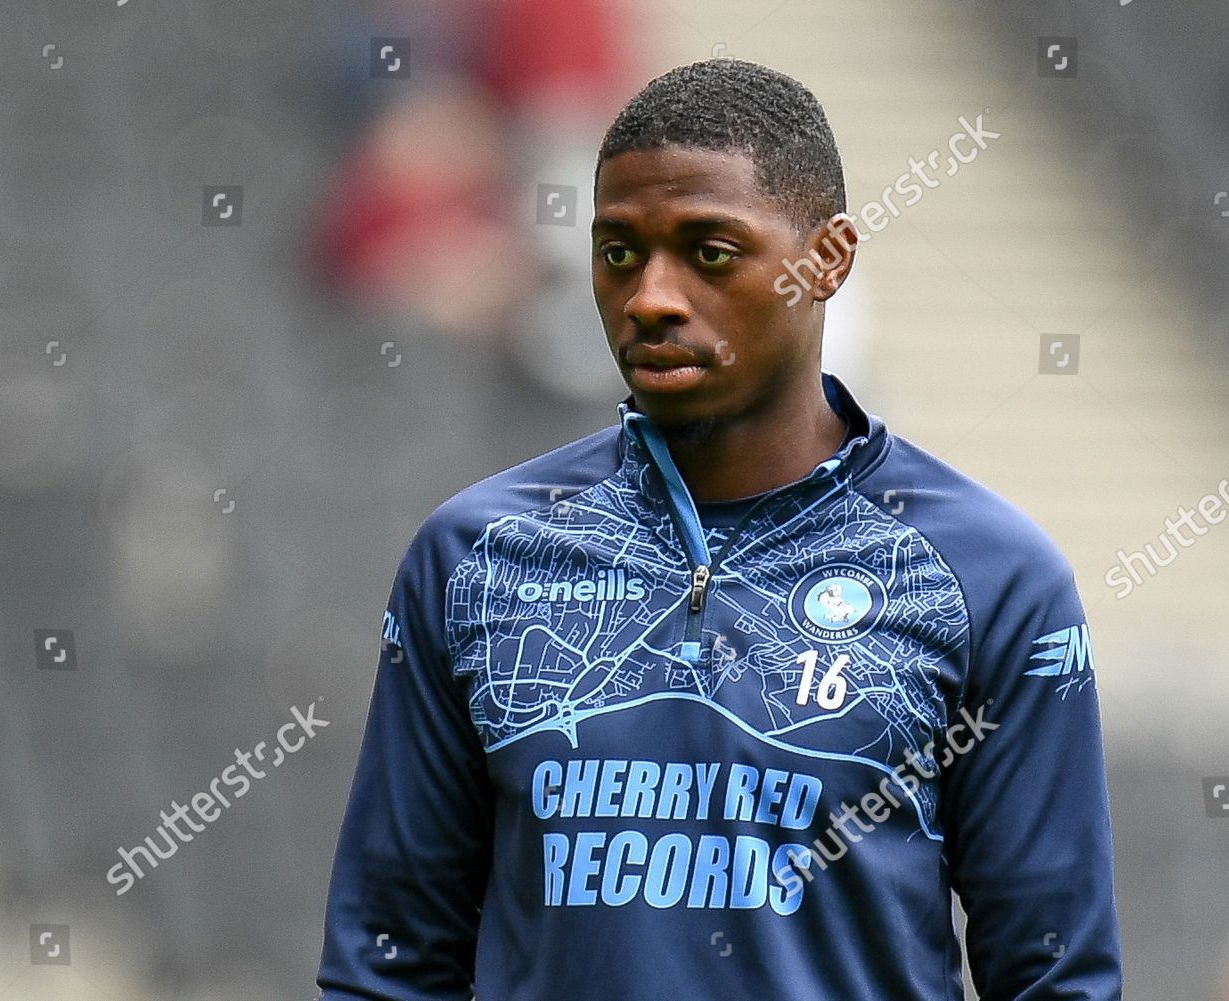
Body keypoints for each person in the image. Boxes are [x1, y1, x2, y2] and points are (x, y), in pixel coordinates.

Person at [317, 58, 1121, 1000]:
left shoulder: (993, 580)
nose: (651, 296)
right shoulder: (473, 557)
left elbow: (1056, 977)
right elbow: (388, 964)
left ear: (828, 258)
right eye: (618, 252)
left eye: (709, 250)